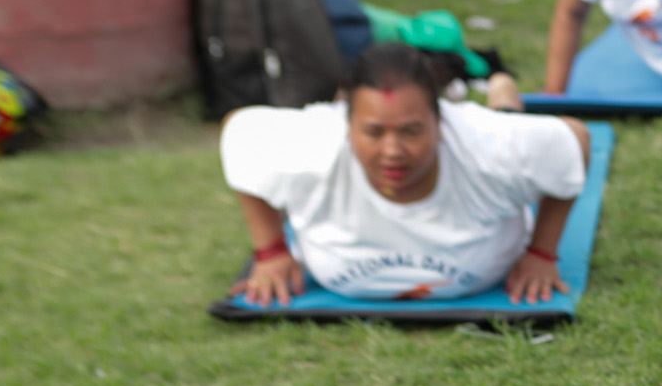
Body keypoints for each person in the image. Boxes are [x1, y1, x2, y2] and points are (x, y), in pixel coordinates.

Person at [223, 44, 590, 306]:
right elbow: (236, 132)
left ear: (441, 121)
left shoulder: (487, 147)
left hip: (487, 137)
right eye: (374, 132)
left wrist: (542, 252)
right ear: (346, 125)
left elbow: (576, 139)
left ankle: (501, 88)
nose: (393, 151)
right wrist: (270, 250)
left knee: (508, 122)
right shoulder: (315, 146)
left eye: (411, 131)